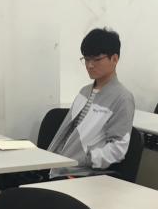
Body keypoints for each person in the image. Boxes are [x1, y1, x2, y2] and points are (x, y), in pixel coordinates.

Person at [47, 28, 135, 177]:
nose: (90, 65)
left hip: (81, 173)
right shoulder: (84, 91)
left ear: (114, 59)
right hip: (59, 167)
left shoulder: (122, 98)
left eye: (96, 59)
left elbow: (117, 149)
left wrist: (84, 160)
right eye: (86, 59)